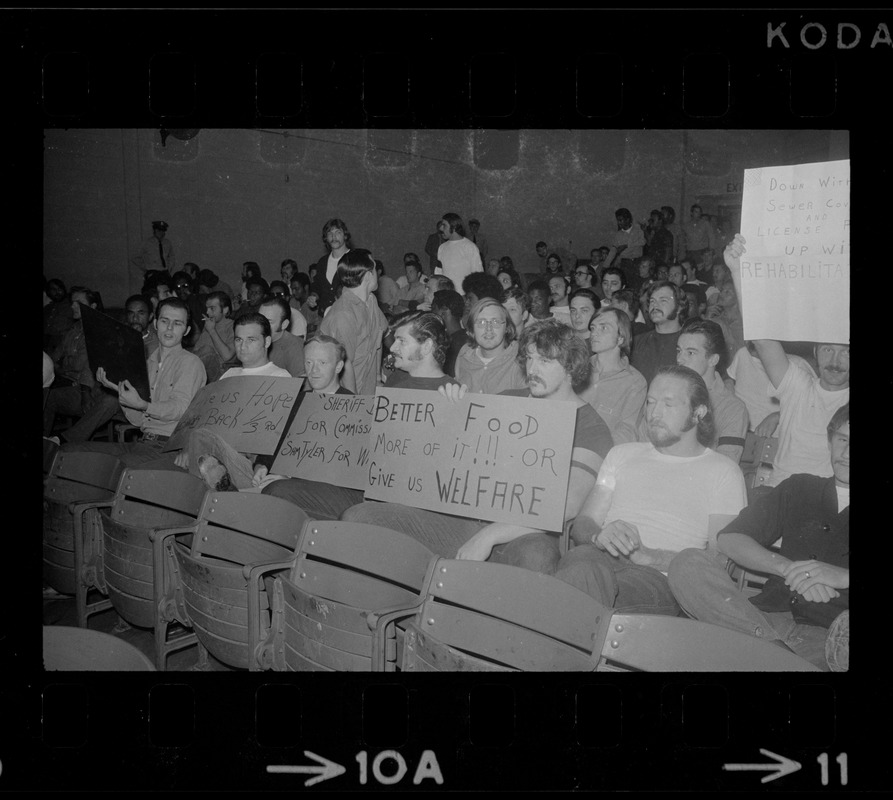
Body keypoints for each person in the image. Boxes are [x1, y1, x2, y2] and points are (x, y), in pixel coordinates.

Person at [341, 319, 614, 574]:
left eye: (544, 361)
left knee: (537, 555)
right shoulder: (507, 400)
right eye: (529, 359)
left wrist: (490, 535)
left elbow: (566, 506)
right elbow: (450, 464)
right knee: (359, 516)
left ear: (570, 366)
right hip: (466, 520)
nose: (532, 370)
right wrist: (452, 414)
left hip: (524, 533)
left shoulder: (591, 428)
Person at [553, 365, 747, 615]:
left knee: (581, 583)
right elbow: (584, 522)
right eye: (651, 402)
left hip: (659, 579)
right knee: (581, 565)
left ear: (698, 412)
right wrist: (598, 537)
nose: (654, 413)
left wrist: (650, 556)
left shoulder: (723, 471)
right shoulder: (622, 454)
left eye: (668, 404)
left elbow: (718, 560)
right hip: (597, 561)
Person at [668, 404, 849, 670]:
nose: (846, 453)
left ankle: (760, 656)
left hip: (829, 639)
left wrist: (843, 576)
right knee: (687, 563)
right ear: (830, 440)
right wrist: (789, 569)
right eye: (842, 439)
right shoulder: (800, 488)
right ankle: (774, 656)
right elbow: (730, 538)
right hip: (759, 617)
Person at [724, 234, 849, 487]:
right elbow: (762, 340)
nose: (835, 360)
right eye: (827, 350)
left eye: (846, 352)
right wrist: (739, 271)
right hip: (778, 493)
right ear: (814, 353)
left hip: (828, 503)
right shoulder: (798, 385)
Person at [63, 297, 207, 467]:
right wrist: (118, 389)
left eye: (177, 323)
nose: (169, 328)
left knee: (110, 466)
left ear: (187, 330)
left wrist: (144, 405)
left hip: (170, 447)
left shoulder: (190, 363)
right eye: (164, 321)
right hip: (144, 442)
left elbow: (179, 409)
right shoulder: (147, 363)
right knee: (68, 451)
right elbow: (138, 421)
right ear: (155, 324)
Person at [175, 313, 293, 491]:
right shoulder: (229, 375)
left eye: (251, 340)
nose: (243, 346)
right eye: (238, 340)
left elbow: (276, 437)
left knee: (200, 438)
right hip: (220, 449)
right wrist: (188, 448)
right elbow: (208, 419)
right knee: (197, 439)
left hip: (251, 461)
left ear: (267, 342)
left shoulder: (280, 377)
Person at [260, 333, 362, 518]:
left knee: (276, 490)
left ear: (338, 366)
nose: (313, 370)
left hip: (322, 489)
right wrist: (261, 466)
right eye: (309, 362)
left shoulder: (353, 408)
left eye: (322, 363)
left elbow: (341, 469)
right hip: (279, 479)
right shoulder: (294, 400)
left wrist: (290, 477)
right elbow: (274, 442)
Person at [44, 287, 119, 443]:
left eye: (79, 303)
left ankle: (64, 440)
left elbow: (80, 365)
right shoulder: (73, 329)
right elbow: (53, 358)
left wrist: (61, 365)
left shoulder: (99, 330)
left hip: (85, 385)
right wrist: (59, 365)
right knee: (47, 396)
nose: (73, 307)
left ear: (92, 307)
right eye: (72, 303)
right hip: (69, 380)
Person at [672, 318, 748, 463]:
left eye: (690, 353)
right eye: (678, 351)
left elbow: (726, 465)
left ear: (713, 360)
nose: (680, 359)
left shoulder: (732, 408)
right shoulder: (666, 395)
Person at [319, 248, 387, 395]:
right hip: (346, 395)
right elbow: (343, 366)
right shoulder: (343, 315)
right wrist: (351, 403)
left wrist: (377, 379)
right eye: (375, 269)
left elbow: (378, 341)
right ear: (369, 276)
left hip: (368, 390)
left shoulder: (371, 301)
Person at [579, 306, 647, 445]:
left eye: (603, 328)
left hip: (602, 456)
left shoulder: (635, 382)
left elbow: (627, 432)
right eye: (593, 328)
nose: (594, 334)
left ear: (621, 338)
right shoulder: (577, 370)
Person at [454, 298, 526, 394]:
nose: (488, 329)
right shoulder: (465, 354)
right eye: (481, 322)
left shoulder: (521, 357)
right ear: (472, 329)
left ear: (507, 328)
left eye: (495, 322)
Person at [383, 311, 459, 391]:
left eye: (402, 341)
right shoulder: (396, 378)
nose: (392, 348)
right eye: (395, 340)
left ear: (426, 346)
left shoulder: (452, 393)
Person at [630, 281, 685, 385]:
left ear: (679, 307)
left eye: (663, 300)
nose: (655, 306)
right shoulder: (636, 342)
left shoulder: (689, 343)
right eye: (652, 301)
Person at [192, 290, 236, 383]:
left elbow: (227, 356)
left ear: (225, 310)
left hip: (220, 372)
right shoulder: (209, 324)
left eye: (212, 308)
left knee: (207, 350)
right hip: (201, 369)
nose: (207, 312)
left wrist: (212, 331)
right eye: (207, 308)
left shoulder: (233, 326)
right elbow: (196, 351)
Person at [312, 218, 352, 315]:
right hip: (324, 318)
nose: (334, 237)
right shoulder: (322, 262)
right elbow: (317, 286)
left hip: (347, 316)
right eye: (330, 233)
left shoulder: (354, 260)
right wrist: (313, 296)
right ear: (326, 238)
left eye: (338, 232)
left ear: (345, 235)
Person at [259, 295, 305, 378]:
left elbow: (301, 386)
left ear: (284, 324)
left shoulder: (295, 348)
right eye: (259, 320)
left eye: (269, 322)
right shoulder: (252, 341)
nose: (261, 326)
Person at [430, 289, 469, 377]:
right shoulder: (462, 337)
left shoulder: (456, 344)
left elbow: (451, 378)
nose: (431, 314)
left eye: (433, 309)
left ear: (444, 311)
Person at [437, 212, 483, 287]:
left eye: (444, 225)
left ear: (454, 227)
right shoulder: (442, 247)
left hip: (464, 295)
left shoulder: (470, 247)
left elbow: (478, 275)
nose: (441, 228)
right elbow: (439, 273)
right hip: (446, 294)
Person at [612, 208, 645, 285]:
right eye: (618, 220)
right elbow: (616, 250)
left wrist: (626, 246)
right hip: (625, 263)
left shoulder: (637, 230)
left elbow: (642, 242)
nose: (619, 223)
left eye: (621, 220)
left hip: (637, 262)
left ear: (627, 220)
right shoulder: (618, 234)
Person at [43, 278, 74, 353]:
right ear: (48, 292)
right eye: (53, 289)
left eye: (60, 289)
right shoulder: (47, 309)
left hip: (63, 345)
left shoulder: (72, 305)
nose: (57, 292)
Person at [125, 294, 159, 359]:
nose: (135, 318)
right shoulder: (118, 340)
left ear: (150, 316)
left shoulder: (157, 344)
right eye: (131, 313)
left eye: (141, 313)